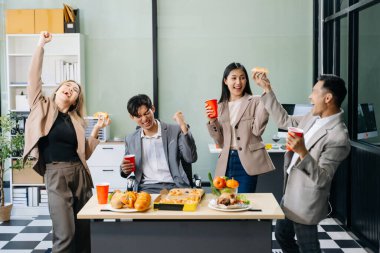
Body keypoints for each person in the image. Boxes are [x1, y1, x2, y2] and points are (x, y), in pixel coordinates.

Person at [22, 31, 110, 253]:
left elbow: (85, 153)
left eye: (75, 90)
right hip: (56, 174)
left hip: (80, 173)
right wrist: (41, 44)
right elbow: (33, 77)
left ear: (74, 101)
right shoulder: (40, 106)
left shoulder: (76, 121)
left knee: (83, 233)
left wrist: (97, 129)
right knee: (65, 234)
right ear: (59, 89)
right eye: (68, 85)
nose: (70, 88)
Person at [253, 72, 351, 253]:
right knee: (282, 235)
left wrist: (303, 152)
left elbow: (323, 178)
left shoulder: (338, 137)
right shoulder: (313, 117)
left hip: (306, 200)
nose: (310, 96)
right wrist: (267, 89)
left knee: (309, 247)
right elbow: (285, 120)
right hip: (290, 193)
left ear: (327, 98)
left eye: (314, 92)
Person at [205, 62, 275, 193]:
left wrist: (266, 90)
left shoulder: (257, 101)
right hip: (225, 161)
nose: (238, 82)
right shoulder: (220, 107)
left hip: (246, 162)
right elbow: (220, 143)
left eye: (242, 77)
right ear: (225, 81)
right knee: (224, 203)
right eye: (234, 78)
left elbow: (258, 130)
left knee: (244, 204)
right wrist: (212, 122)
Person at [120, 94, 197, 193]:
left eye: (147, 113)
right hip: (146, 188)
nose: (144, 119)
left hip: (175, 187)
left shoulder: (174, 131)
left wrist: (183, 127)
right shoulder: (131, 139)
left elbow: (191, 158)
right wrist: (124, 170)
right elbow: (125, 168)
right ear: (132, 117)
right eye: (139, 116)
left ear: (153, 108)